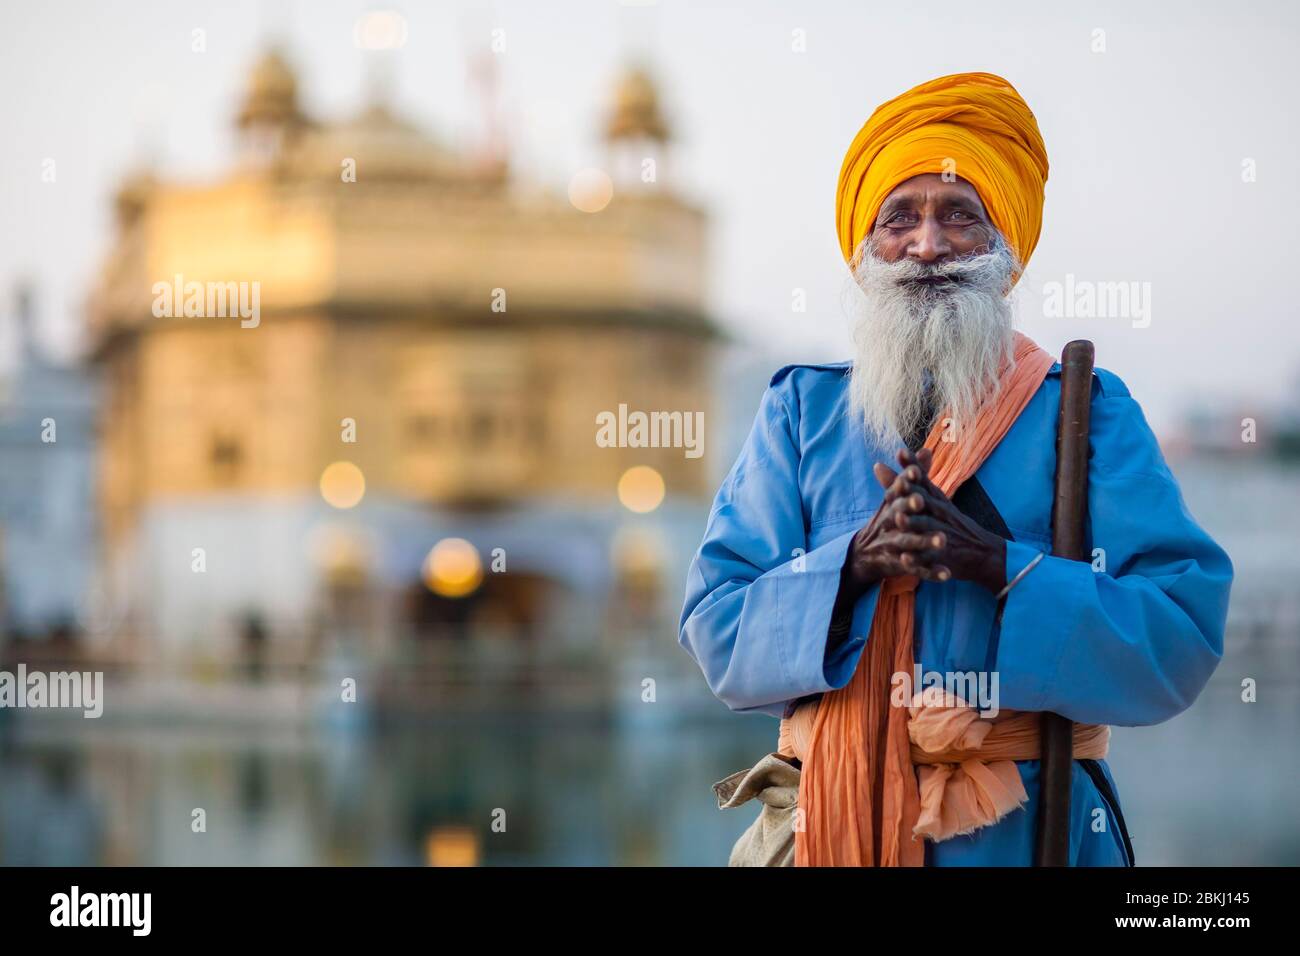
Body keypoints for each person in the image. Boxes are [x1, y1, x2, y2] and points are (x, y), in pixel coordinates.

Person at [677, 72, 1233, 866]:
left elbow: (1178, 636)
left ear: (1003, 250)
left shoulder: (1083, 411)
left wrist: (999, 567)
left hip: (1028, 836)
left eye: (958, 217)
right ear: (866, 249)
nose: (928, 245)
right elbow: (715, 631)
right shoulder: (802, 414)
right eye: (900, 217)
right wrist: (854, 567)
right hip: (824, 823)